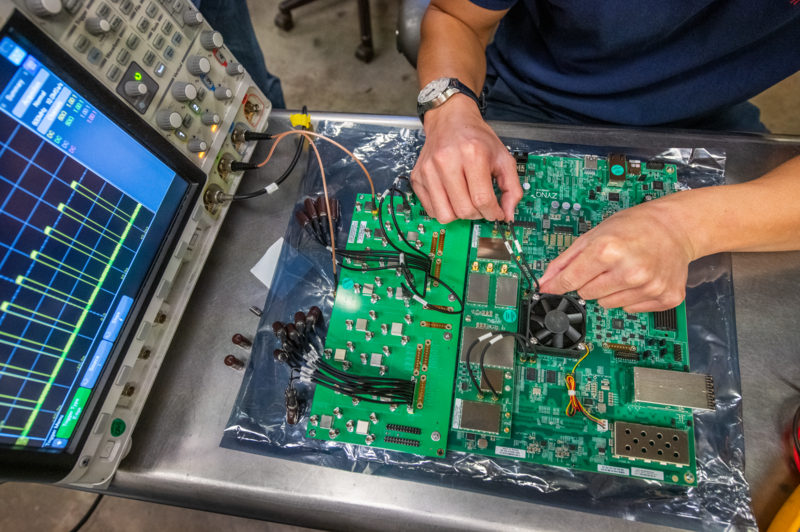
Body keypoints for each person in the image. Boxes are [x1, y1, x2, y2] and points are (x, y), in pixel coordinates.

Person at [410, 0, 800, 312]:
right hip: (533, 100)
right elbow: (455, 16)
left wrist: (682, 228)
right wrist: (450, 110)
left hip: (706, 117)